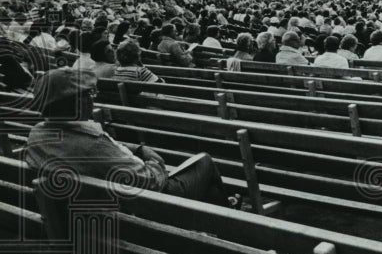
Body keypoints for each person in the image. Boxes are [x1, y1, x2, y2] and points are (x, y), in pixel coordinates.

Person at [25, 68, 235, 208]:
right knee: (205, 162)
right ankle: (231, 225)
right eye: (89, 94)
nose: (93, 98)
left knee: (208, 187)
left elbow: (94, 148)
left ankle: (223, 216)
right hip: (145, 206)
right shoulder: (92, 145)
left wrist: (138, 149)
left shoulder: (38, 134)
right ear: (76, 103)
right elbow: (151, 183)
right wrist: (155, 164)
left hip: (93, 211)